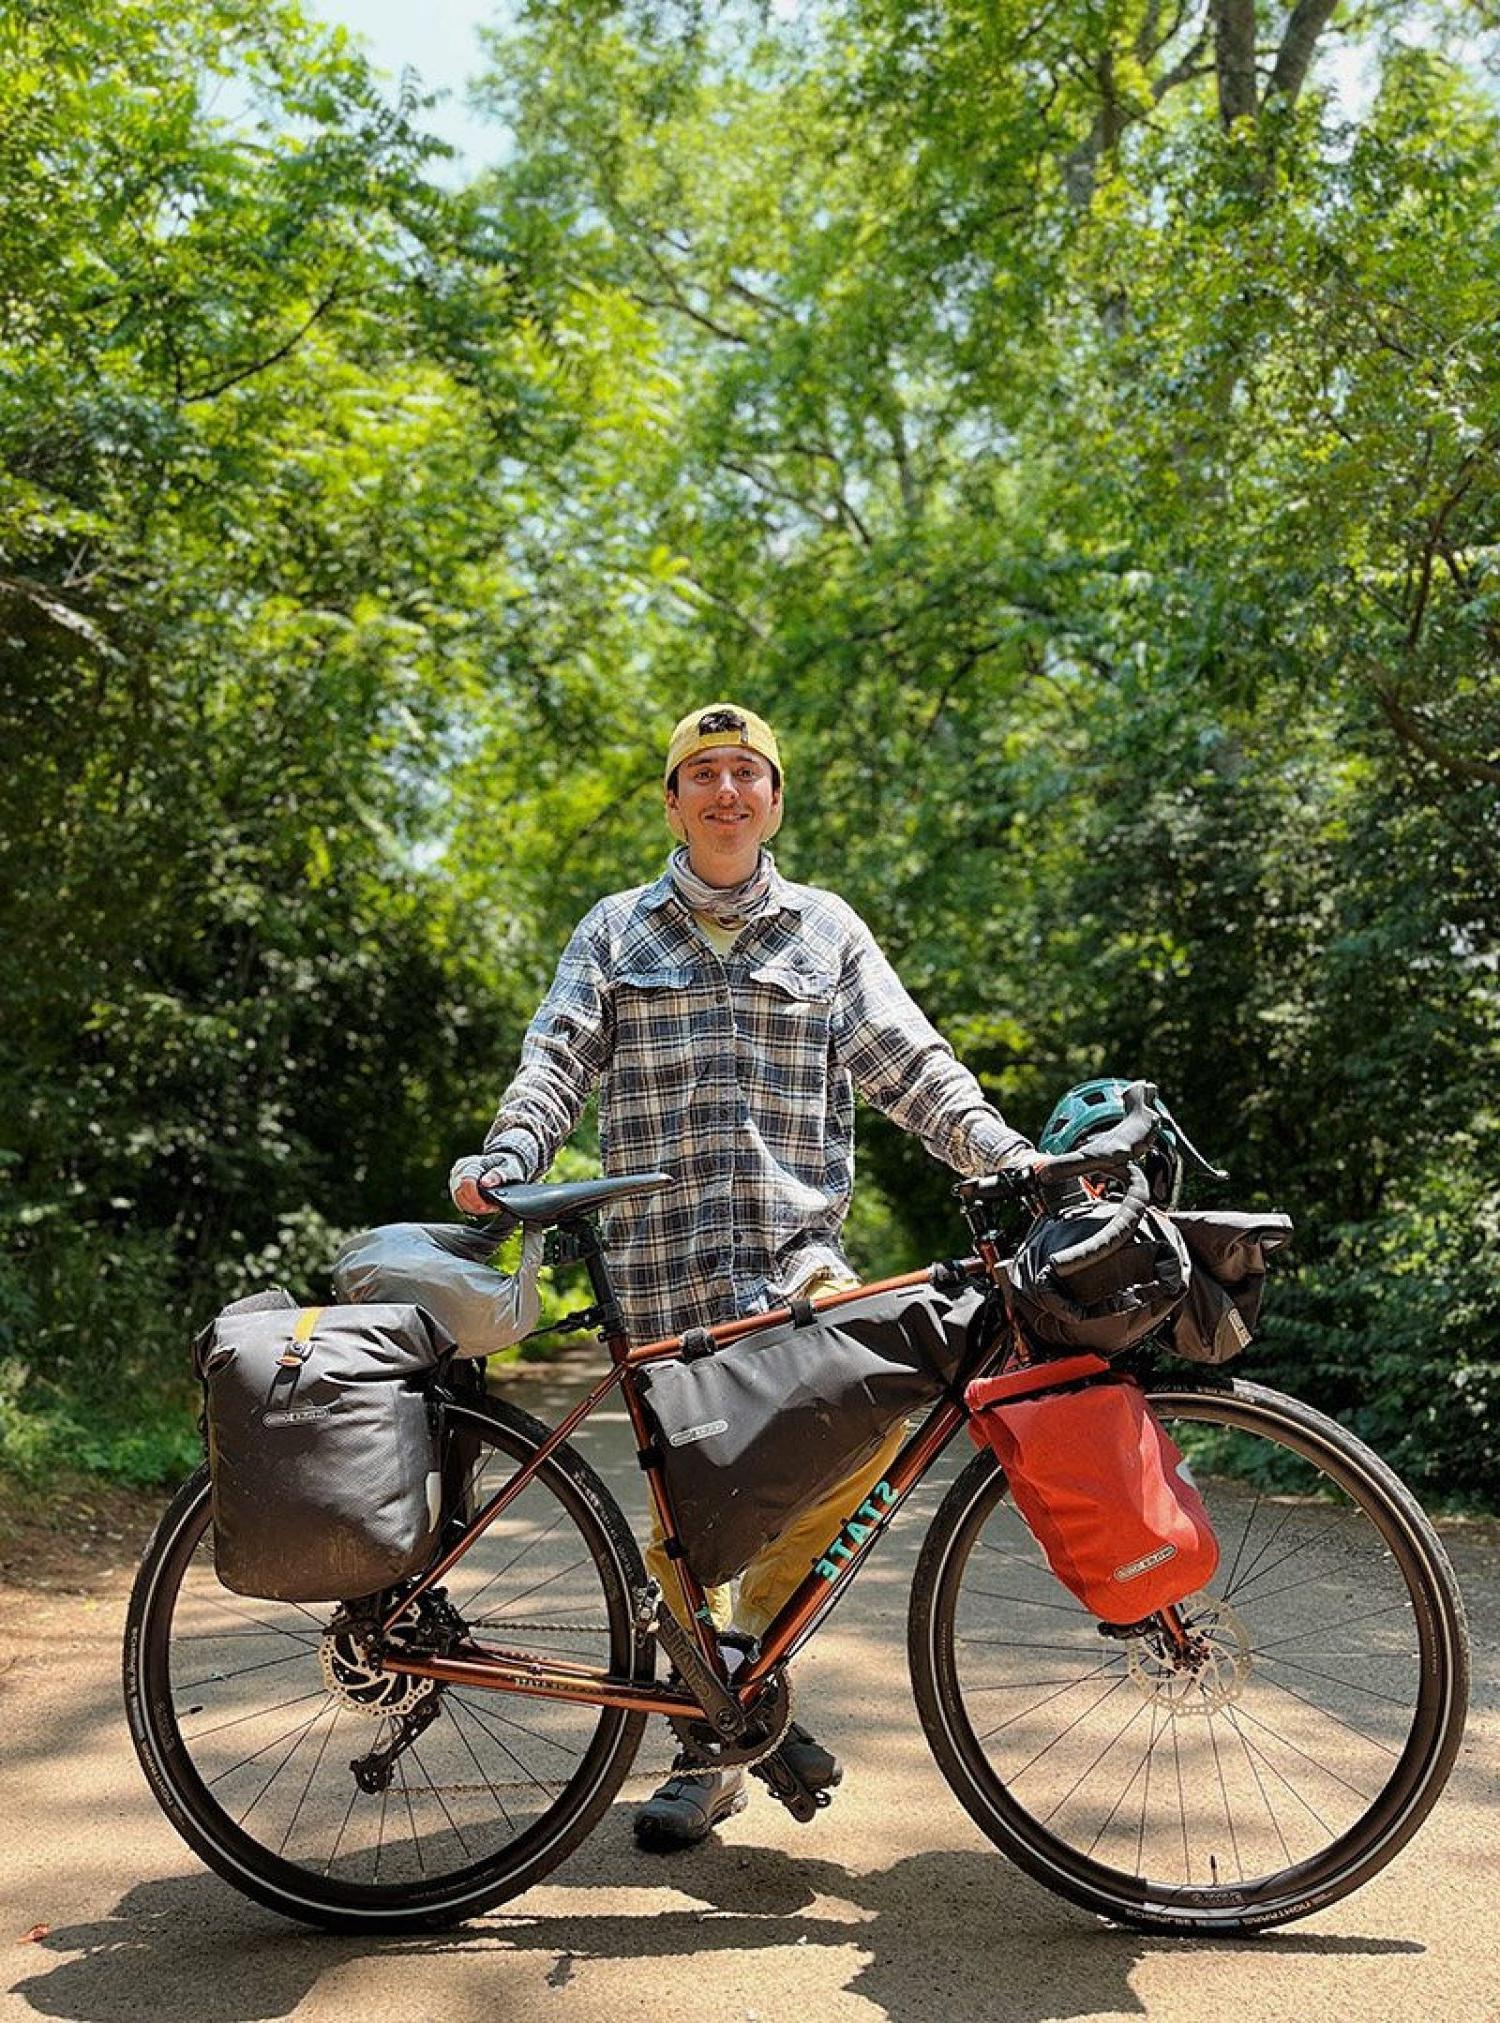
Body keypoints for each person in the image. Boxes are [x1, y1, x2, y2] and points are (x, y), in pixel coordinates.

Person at [450, 703, 1035, 1849]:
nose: (725, 791)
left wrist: (1006, 1155)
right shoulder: (617, 930)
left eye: (746, 773)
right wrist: (511, 1155)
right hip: (662, 1274)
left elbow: (911, 1064)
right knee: (686, 1528)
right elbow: (556, 1059)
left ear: (774, 799)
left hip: (794, 1262)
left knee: (871, 1425)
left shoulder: (826, 931)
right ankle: (712, 1740)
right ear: (672, 802)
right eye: (702, 774)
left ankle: (739, 1679)